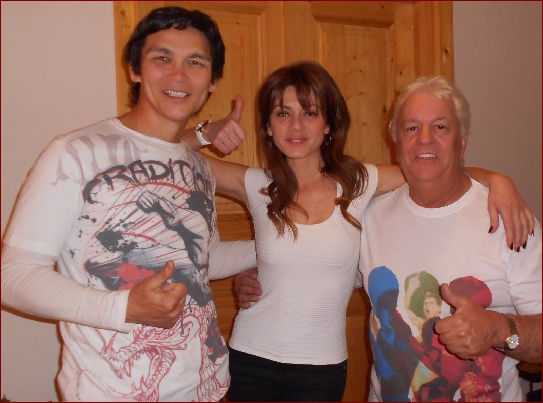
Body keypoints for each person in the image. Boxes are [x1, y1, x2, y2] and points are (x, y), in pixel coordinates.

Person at [185, 62, 534, 402]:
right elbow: (169, 152)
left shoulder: (358, 184)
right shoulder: (256, 185)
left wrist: (498, 180)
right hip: (251, 356)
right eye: (283, 113)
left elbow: (432, 165)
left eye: (310, 113)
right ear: (268, 127)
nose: (296, 125)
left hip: (321, 367)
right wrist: (204, 133)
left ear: (328, 124)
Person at [1, 6, 257, 401]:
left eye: (195, 62)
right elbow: (13, 277)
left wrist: (272, 249)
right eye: (162, 58)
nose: (178, 74)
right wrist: (122, 308)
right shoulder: (74, 154)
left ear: (212, 81)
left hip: (208, 387)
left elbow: (202, 259)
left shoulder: (199, 168)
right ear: (135, 69)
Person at [358, 76, 541, 401]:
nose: (425, 139)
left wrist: (499, 330)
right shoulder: (368, 217)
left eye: (440, 127)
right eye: (411, 128)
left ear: (463, 143)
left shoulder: (509, 220)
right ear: (396, 142)